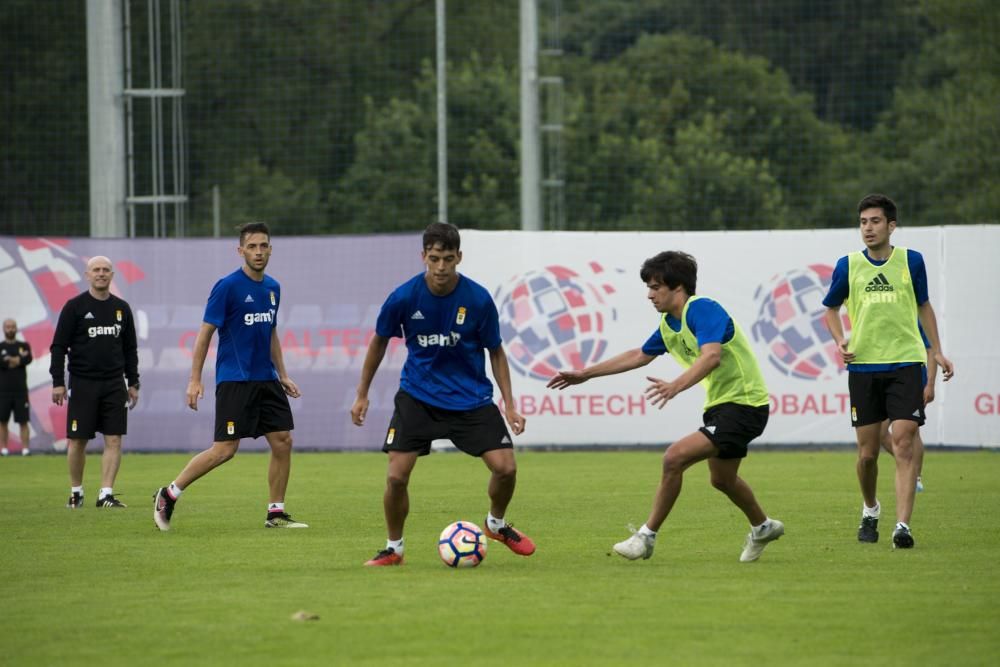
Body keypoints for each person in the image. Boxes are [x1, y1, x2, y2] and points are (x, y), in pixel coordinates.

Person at [548, 250, 784, 563]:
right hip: (721, 406)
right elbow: (639, 355)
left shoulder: (702, 309)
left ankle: (646, 537)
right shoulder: (668, 324)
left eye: (655, 287)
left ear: (678, 287)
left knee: (674, 458)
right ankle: (763, 526)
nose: (649, 294)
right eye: (649, 287)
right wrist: (585, 374)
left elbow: (711, 356)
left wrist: (676, 385)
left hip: (745, 405)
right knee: (722, 480)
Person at [351, 222, 534, 566]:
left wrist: (509, 405)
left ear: (459, 257)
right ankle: (394, 549)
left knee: (506, 469)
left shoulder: (478, 299)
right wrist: (362, 394)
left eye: (448, 259)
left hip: (471, 400)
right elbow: (378, 342)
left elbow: (496, 351)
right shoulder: (404, 297)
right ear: (423, 256)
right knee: (395, 476)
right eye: (434, 259)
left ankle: (495, 523)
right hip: (418, 397)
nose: (440, 267)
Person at [152, 222, 307, 531]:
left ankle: (275, 514)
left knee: (282, 441)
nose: (259, 252)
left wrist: (283, 374)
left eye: (264, 246)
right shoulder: (227, 287)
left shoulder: (273, 288)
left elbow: (271, 332)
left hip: (266, 379)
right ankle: (169, 494)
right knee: (225, 450)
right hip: (235, 379)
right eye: (252, 246)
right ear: (240, 251)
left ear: (271, 249)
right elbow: (205, 333)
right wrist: (195, 379)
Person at [822, 194, 954, 549]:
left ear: (891, 226)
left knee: (904, 441)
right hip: (864, 367)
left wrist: (937, 352)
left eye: (876, 221)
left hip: (906, 364)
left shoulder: (912, 261)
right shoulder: (847, 265)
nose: (868, 228)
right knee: (867, 455)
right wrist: (839, 341)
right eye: (864, 222)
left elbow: (924, 306)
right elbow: (830, 310)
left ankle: (902, 527)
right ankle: (870, 509)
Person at [50, 257, 140, 508]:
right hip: (82, 382)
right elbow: (58, 347)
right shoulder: (74, 307)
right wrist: (58, 382)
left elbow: (130, 349)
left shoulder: (122, 308)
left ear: (112, 275)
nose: (101, 274)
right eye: (96, 270)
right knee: (78, 439)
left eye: (105, 270)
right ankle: (76, 492)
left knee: (114, 439)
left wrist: (133, 382)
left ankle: (105, 494)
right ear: (87, 274)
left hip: (114, 383)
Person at [880, 325, 935, 492]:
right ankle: (908, 467)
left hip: (912, 380)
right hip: (885, 378)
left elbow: (931, 349)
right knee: (880, 433)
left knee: (911, 431)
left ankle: (915, 477)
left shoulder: (914, 317)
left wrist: (930, 384)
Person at [1, 319, 33, 456]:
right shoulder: (0, 347)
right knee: (2, 421)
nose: (10, 329)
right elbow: (2, 363)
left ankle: (25, 449)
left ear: (16, 328)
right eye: (8, 327)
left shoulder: (24, 345)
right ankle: (4, 449)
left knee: (23, 421)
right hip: (3, 391)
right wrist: (18, 359)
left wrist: (10, 360)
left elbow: (28, 359)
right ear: (3, 329)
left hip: (21, 391)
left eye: (13, 326)